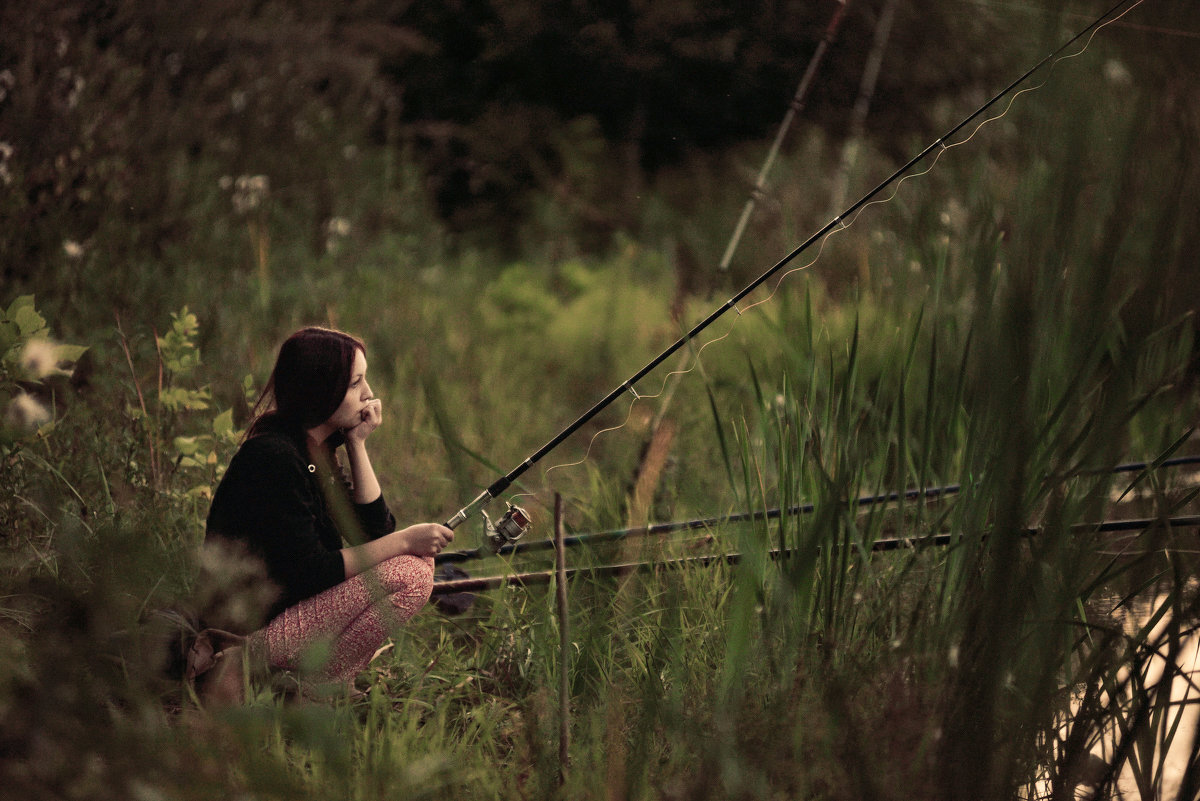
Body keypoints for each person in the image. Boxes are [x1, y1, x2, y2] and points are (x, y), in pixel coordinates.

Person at [198, 326, 453, 702]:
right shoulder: (274, 458)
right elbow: (311, 572)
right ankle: (255, 666)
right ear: (320, 389)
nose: (368, 393)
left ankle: (313, 685)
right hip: (247, 620)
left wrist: (357, 443)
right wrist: (404, 541)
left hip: (288, 610)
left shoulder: (314, 452)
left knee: (415, 563)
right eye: (355, 383)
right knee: (410, 573)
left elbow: (372, 532)